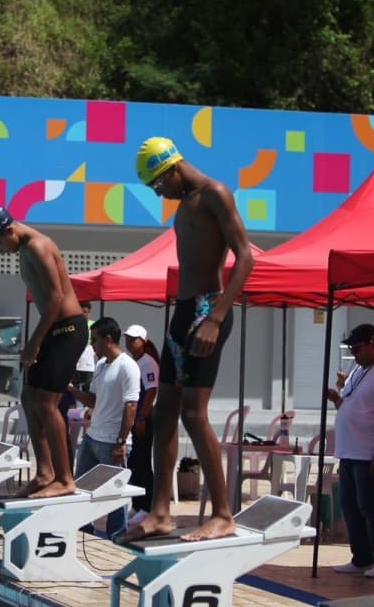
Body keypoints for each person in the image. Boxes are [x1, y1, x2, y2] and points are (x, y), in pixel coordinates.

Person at [119, 137, 255, 543]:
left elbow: (245, 257)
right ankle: (160, 512)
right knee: (163, 414)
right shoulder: (185, 205)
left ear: (172, 168)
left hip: (207, 310)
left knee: (194, 415)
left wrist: (217, 317)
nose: (159, 193)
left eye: (158, 184)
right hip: (182, 313)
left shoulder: (215, 193)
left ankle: (224, 513)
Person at [0, 206, 88, 498]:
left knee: (47, 404)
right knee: (29, 398)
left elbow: (56, 298)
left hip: (67, 330)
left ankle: (65, 479)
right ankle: (44, 472)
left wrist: (35, 342)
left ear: (8, 230)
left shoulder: (38, 246)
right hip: (54, 329)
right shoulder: (24, 248)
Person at [323, 323, 374, 578]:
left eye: (356, 348)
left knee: (371, 507)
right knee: (350, 506)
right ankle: (362, 557)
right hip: (349, 452)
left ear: (372, 343)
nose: (354, 353)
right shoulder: (359, 371)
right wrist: (337, 399)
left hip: (368, 453)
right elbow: (352, 407)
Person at [65, 317, 139, 538]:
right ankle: (84, 531)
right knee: (81, 487)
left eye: (94, 340)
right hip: (92, 437)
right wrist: (73, 391)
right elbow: (95, 400)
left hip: (112, 442)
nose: (92, 345)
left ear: (108, 339)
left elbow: (131, 405)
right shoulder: (101, 365)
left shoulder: (128, 367)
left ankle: (116, 537)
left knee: (114, 494)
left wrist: (121, 441)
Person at [122, 324, 160, 522]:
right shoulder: (134, 361)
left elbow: (151, 391)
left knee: (142, 462)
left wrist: (142, 417)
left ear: (143, 341)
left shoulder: (147, 362)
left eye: (133, 339)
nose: (129, 342)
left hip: (143, 418)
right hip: (135, 417)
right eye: (128, 338)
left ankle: (147, 506)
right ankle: (137, 504)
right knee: (135, 462)